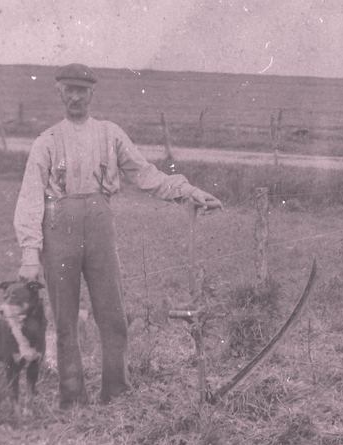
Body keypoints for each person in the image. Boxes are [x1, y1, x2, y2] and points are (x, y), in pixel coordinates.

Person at [14, 63, 223, 408]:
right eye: (69, 90)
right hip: (58, 225)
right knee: (65, 323)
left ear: (93, 94)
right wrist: (28, 253)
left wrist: (188, 191)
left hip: (99, 223)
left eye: (82, 90)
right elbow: (30, 197)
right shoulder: (46, 141)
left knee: (112, 316)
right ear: (59, 93)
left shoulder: (110, 134)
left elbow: (145, 174)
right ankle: (73, 400)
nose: (76, 96)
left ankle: (116, 394)